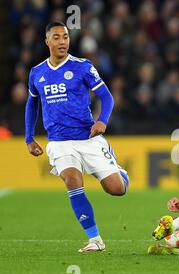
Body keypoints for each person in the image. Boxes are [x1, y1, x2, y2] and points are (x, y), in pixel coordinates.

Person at [25, 22, 129, 252]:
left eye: (65, 37)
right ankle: (95, 240)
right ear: (47, 41)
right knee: (72, 180)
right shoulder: (37, 73)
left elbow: (107, 97)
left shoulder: (82, 66)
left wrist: (102, 120)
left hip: (87, 138)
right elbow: (32, 104)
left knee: (116, 189)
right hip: (59, 142)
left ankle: (119, 171)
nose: (62, 41)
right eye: (57, 37)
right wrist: (29, 137)